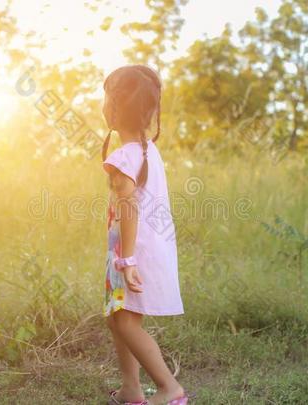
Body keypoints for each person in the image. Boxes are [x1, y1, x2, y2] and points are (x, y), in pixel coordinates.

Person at [101, 65, 191, 405]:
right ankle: (131, 390)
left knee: (126, 323)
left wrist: (126, 259)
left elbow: (128, 208)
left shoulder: (122, 157)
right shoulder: (145, 150)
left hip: (133, 253)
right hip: (142, 249)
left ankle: (170, 389)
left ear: (110, 108)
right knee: (118, 318)